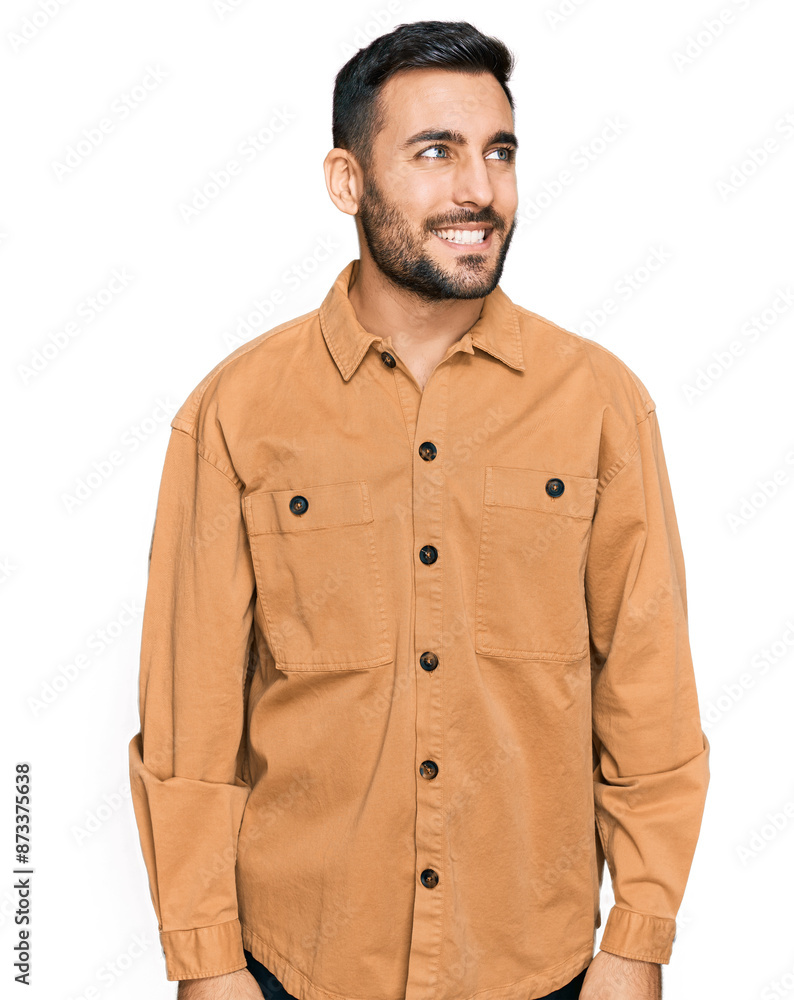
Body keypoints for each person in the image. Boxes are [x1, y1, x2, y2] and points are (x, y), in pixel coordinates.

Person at [128, 20, 710, 1000]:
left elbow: (648, 694)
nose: (478, 188)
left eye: (498, 152)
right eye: (435, 152)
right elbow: (191, 716)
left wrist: (638, 938)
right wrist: (206, 959)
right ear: (346, 181)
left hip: (540, 965)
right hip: (296, 966)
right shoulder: (236, 412)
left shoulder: (600, 406)